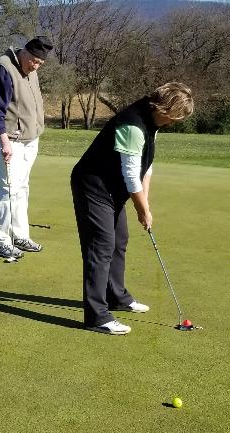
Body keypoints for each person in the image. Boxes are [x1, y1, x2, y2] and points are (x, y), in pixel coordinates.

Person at [70, 82, 194, 334]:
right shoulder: (133, 125)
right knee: (101, 246)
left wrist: (145, 203)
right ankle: (96, 316)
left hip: (112, 188)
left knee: (119, 240)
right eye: (172, 117)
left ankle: (116, 296)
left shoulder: (152, 121)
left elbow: (145, 166)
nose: (172, 123)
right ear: (162, 107)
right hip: (93, 185)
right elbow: (130, 175)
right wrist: (142, 210)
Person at [0, 36, 53, 259]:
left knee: (22, 188)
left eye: (40, 64)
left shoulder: (32, 72)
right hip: (11, 140)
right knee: (7, 190)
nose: (35, 66)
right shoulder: (3, 68)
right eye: (33, 60)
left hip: (30, 140)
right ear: (24, 52)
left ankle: (20, 235)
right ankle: (1, 240)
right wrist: (3, 141)